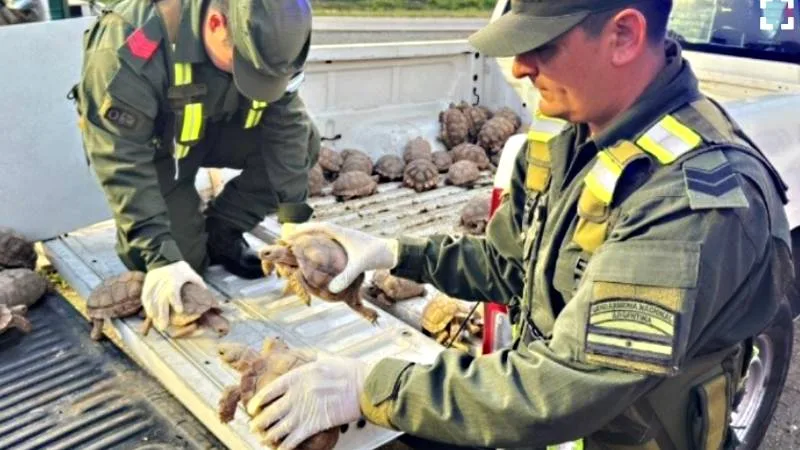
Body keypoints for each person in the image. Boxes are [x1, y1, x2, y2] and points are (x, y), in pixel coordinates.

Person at [244, 0, 796, 449]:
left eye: (542, 45)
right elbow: (512, 266)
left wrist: (371, 386)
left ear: (624, 35)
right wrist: (394, 253)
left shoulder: (694, 198)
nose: (517, 68)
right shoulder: (571, 134)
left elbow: (566, 386)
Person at [72, 0, 320, 331]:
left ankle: (223, 231)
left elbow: (287, 126)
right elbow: (121, 158)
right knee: (183, 267)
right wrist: (159, 255)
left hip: (217, 128)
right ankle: (174, 241)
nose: (257, 82)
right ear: (216, 23)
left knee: (304, 144)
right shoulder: (130, 39)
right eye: (247, 70)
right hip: (157, 151)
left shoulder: (277, 43)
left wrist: (294, 220)